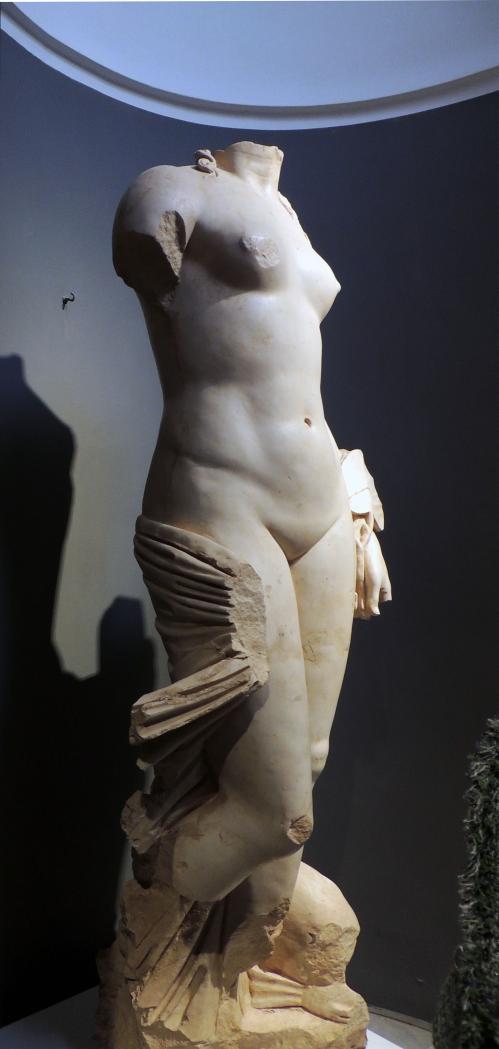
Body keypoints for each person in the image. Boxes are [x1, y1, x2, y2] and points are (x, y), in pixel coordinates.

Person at [112, 140, 391, 981]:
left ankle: (231, 975)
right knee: (276, 813)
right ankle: (151, 940)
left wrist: (354, 498)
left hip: (322, 501)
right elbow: (145, 253)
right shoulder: (170, 189)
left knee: (310, 760)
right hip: (220, 492)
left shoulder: (290, 217)